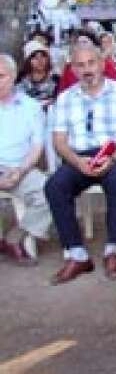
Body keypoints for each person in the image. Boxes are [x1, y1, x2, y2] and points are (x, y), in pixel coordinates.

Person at [45, 43, 116, 283]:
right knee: (54, 186)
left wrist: (112, 158)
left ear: (102, 64)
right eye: (80, 65)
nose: (87, 70)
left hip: (113, 154)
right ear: (73, 69)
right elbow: (59, 141)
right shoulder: (65, 98)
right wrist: (77, 161)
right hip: (79, 157)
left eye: (91, 63)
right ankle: (77, 254)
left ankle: (113, 249)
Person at [0, 54, 51, 265]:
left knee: (51, 190)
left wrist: (20, 171)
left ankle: (14, 239)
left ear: (13, 77)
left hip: (20, 167)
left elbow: (37, 146)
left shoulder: (31, 107)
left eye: (1, 76)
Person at [56, 30, 116, 95]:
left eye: (84, 42)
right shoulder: (69, 67)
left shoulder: (106, 64)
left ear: (94, 46)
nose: (82, 46)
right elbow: (62, 91)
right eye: (78, 43)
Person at [16, 39, 60, 107]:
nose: (40, 60)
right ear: (28, 61)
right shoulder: (20, 80)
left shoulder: (56, 80)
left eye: (43, 56)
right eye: (35, 57)